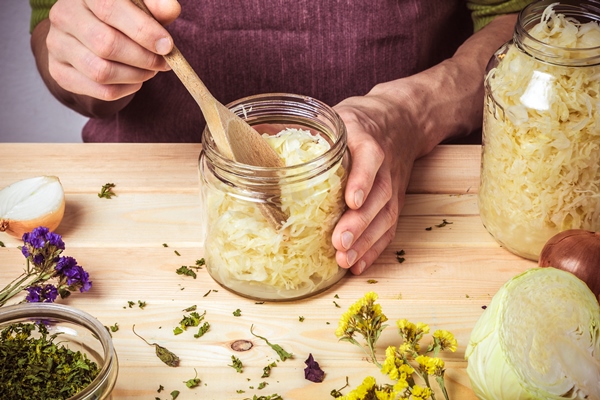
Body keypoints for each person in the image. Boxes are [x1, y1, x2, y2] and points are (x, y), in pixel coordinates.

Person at [30, 0, 534, 275]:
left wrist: (410, 113)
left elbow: (523, 22)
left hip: (426, 196)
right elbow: (48, 26)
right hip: (137, 205)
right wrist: (89, 58)